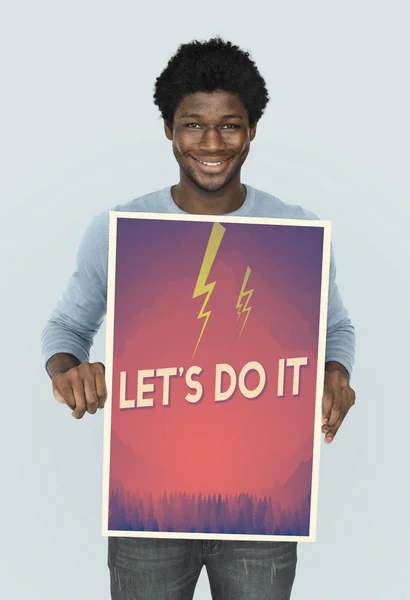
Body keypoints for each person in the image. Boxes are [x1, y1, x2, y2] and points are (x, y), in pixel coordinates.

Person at [41, 37, 356, 600]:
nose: (211, 143)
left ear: (253, 129)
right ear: (168, 128)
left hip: (261, 509)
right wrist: (69, 371)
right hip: (149, 512)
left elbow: (335, 328)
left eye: (230, 125)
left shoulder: (297, 231)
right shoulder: (120, 228)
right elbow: (65, 330)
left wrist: (335, 372)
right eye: (192, 125)